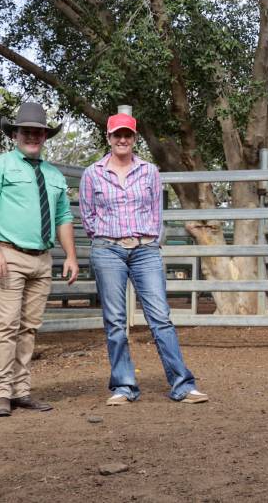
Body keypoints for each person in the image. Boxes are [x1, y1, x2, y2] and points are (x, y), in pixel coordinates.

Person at [79, 112, 208, 406]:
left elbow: (155, 212)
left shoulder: (149, 171)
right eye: (116, 134)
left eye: (128, 135)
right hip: (107, 249)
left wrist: (148, 240)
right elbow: (88, 217)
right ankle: (124, 386)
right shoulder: (92, 173)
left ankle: (182, 385)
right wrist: (105, 237)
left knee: (160, 317)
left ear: (135, 139)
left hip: (144, 249)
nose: (122, 139)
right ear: (108, 138)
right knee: (115, 320)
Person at [0, 102, 79, 417]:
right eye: (27, 131)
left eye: (39, 132)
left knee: (29, 327)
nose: (33, 136)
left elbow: (63, 216)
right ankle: (1, 392)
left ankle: (21, 390)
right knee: (6, 325)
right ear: (15, 133)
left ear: (45, 136)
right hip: (8, 254)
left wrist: (70, 255)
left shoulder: (54, 175)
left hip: (41, 258)